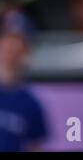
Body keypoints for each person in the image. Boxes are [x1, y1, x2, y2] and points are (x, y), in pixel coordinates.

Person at [0, 8, 48, 151]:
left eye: (19, 43)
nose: (12, 48)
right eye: (8, 40)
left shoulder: (30, 103)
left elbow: (36, 146)